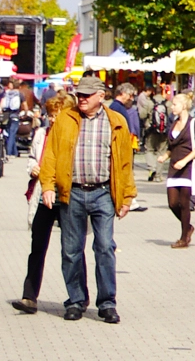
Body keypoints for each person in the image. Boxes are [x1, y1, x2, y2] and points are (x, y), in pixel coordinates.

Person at [38, 73, 137, 323]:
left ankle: (106, 303)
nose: (80, 99)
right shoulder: (65, 119)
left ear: (101, 96)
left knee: (105, 247)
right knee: (71, 250)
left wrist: (127, 196)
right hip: (71, 192)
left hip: (103, 192)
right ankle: (76, 300)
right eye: (79, 95)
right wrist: (48, 186)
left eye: (86, 95)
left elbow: (125, 163)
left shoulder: (116, 121)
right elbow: (51, 154)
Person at [12, 94, 80, 313]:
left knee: (72, 250)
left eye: (56, 114)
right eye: (50, 114)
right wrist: (32, 167)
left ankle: (78, 297)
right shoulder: (42, 133)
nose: (52, 119)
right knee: (37, 247)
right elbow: (33, 157)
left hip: (66, 196)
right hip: (44, 196)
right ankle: (29, 297)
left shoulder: (76, 135)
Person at [164, 89, 195, 247]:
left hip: (188, 168)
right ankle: (188, 227)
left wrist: (184, 161)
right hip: (174, 167)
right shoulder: (174, 123)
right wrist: (166, 155)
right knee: (172, 203)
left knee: (184, 203)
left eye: (175, 104)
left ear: (183, 106)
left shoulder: (194, 123)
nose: (172, 107)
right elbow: (172, 145)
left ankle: (184, 237)